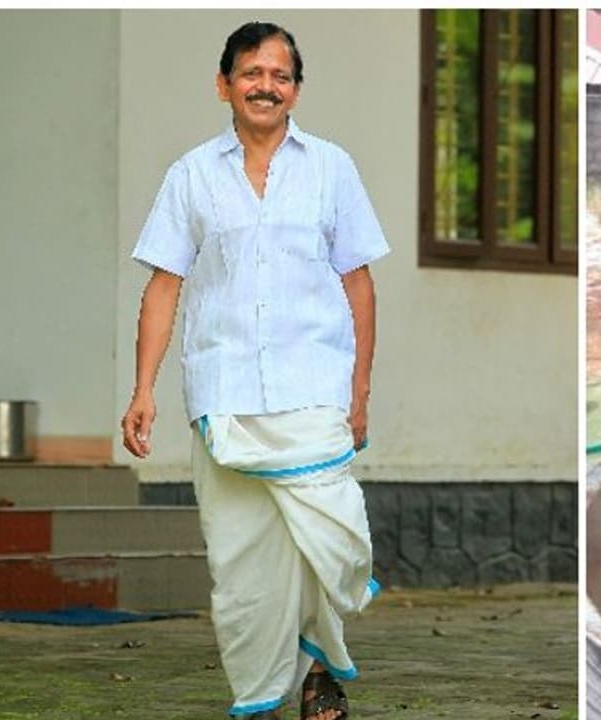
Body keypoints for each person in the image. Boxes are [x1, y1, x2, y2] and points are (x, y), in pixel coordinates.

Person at [120, 21, 388, 720]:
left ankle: (315, 657)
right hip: (226, 392)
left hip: (314, 388)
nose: (266, 86)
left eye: (280, 75)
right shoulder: (191, 175)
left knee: (333, 539)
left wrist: (359, 393)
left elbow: (358, 284)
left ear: (295, 89)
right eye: (251, 73)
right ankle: (295, 683)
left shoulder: (333, 168)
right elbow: (164, 287)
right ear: (224, 85)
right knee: (245, 560)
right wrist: (143, 389)